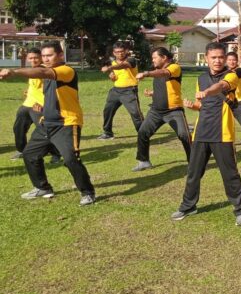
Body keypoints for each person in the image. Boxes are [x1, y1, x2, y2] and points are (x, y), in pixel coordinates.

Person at [0, 41, 96, 205]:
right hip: (47, 122)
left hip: (67, 123)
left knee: (70, 159)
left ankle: (88, 192)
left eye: (49, 55)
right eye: (44, 55)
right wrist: (43, 107)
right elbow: (54, 93)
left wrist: (14, 71)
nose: (46, 58)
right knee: (29, 154)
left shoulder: (66, 70)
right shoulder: (47, 74)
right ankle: (43, 188)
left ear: (60, 55)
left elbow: (44, 71)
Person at [172, 42, 241, 226]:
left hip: (222, 133)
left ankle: (240, 210)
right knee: (193, 172)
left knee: (229, 174)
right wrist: (193, 105)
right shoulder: (201, 78)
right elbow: (203, 104)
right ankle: (188, 205)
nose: (217, 61)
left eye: (221, 57)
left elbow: (221, 87)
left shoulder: (231, 75)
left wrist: (206, 92)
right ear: (206, 58)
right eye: (213, 57)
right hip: (201, 132)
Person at [131, 47, 192, 171]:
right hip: (156, 111)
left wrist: (146, 73)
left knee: (184, 135)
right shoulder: (157, 70)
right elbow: (166, 88)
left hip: (174, 110)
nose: (152, 60)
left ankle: (194, 161)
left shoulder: (174, 67)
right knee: (143, 132)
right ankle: (144, 161)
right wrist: (153, 93)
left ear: (164, 57)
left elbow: (165, 73)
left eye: (154, 57)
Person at [11, 48, 61, 163]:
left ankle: (56, 154)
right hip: (27, 105)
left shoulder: (45, 70)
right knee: (18, 128)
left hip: (40, 106)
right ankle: (22, 150)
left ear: (41, 58)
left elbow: (52, 90)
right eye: (31, 58)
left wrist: (45, 104)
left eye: (36, 58)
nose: (33, 60)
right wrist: (29, 91)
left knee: (45, 131)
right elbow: (36, 85)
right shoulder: (33, 70)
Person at [99, 41, 143, 139]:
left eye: (122, 51)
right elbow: (115, 77)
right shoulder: (113, 62)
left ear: (126, 51)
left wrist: (109, 67)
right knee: (107, 111)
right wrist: (112, 77)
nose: (120, 53)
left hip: (129, 91)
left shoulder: (131, 60)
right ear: (114, 53)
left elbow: (124, 65)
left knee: (135, 113)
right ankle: (107, 133)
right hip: (116, 90)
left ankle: (143, 134)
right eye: (117, 52)